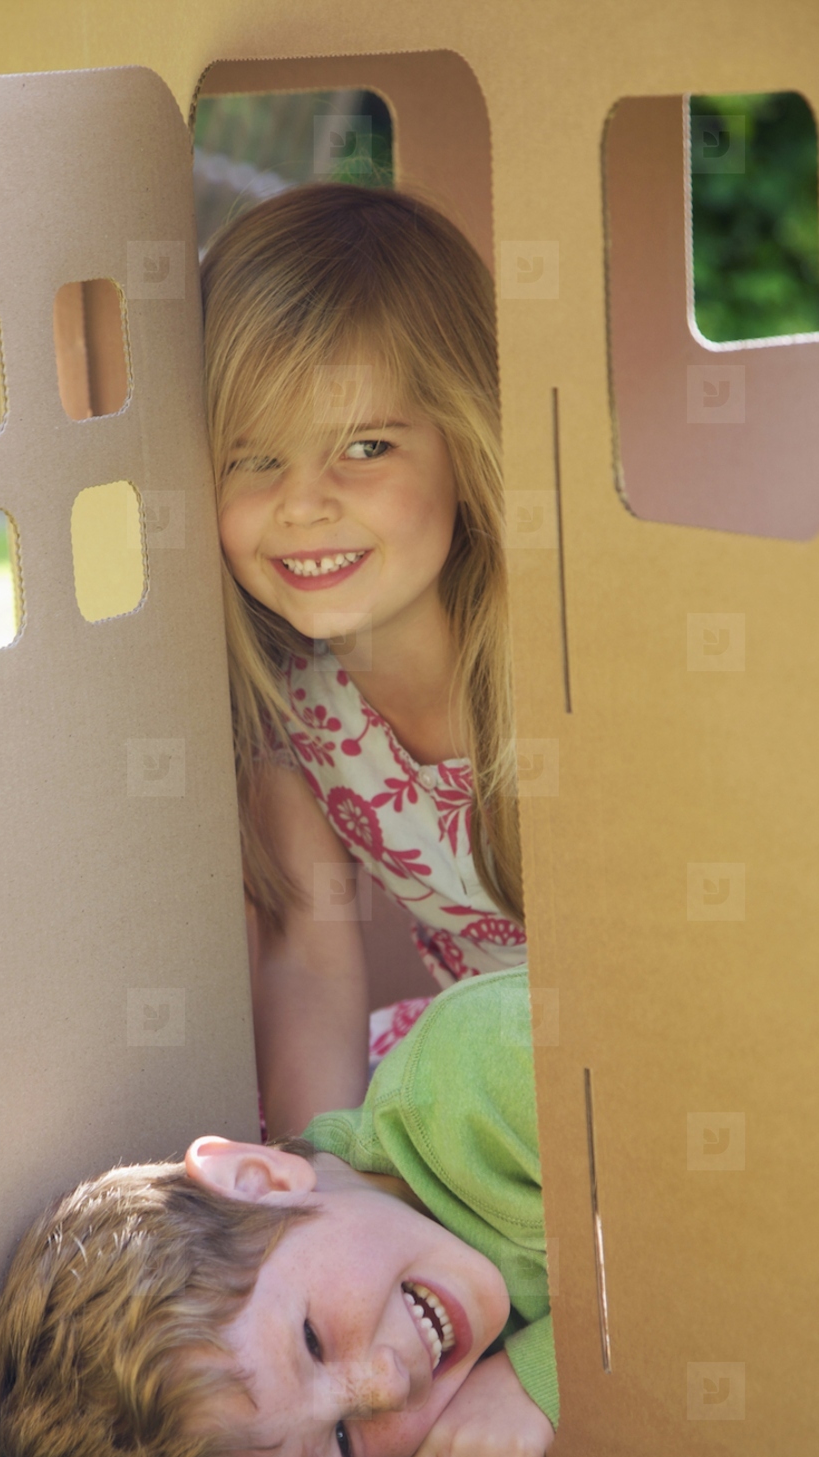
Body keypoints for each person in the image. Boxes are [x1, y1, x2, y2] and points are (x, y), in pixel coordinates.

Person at [0, 967, 556, 1457]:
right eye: (344, 1444)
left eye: (313, 1341)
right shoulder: (441, 1319)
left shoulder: (488, 1079)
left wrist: (537, 1380)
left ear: (260, 1181)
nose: (388, 1384)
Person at [201, 183, 526, 1137]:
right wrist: (323, 1182)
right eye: (255, 459)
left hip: (639, 1041)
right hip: (485, 1072)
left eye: (365, 446)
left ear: (465, 445)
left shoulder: (555, 655)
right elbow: (308, 953)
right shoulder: (290, 711)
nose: (305, 504)